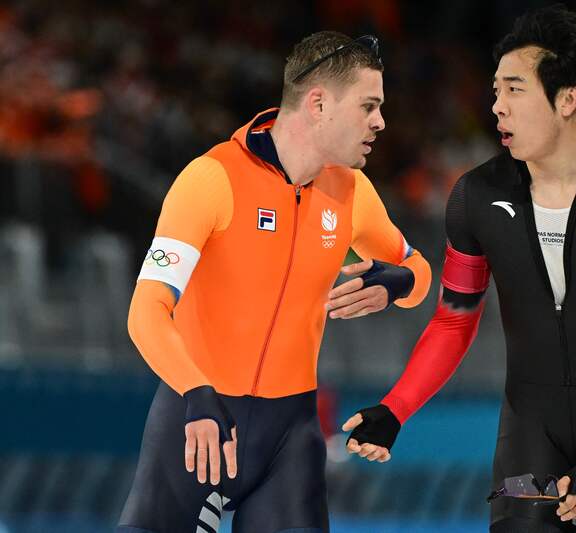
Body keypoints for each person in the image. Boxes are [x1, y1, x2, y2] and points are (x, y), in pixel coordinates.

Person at [343, 6, 576, 532]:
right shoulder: (476, 197)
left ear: (568, 99)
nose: (497, 106)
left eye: (514, 89)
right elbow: (454, 320)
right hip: (529, 447)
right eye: (495, 90)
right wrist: (395, 408)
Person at [116, 31, 432, 533]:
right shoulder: (212, 178)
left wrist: (399, 282)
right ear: (319, 104)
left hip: (289, 438)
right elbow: (146, 311)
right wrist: (196, 393)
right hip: (200, 421)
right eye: (369, 106)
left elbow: (420, 275)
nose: (380, 122)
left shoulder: (353, 192)